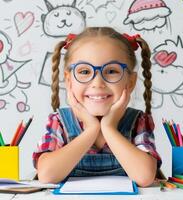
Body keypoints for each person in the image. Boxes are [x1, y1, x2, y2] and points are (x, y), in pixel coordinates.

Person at [33, 27, 162, 186]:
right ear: (68, 80)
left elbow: (145, 177)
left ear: (130, 81)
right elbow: (46, 175)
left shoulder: (138, 121)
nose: (98, 83)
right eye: (85, 71)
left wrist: (109, 128)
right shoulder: (60, 121)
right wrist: (91, 130)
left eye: (112, 71)